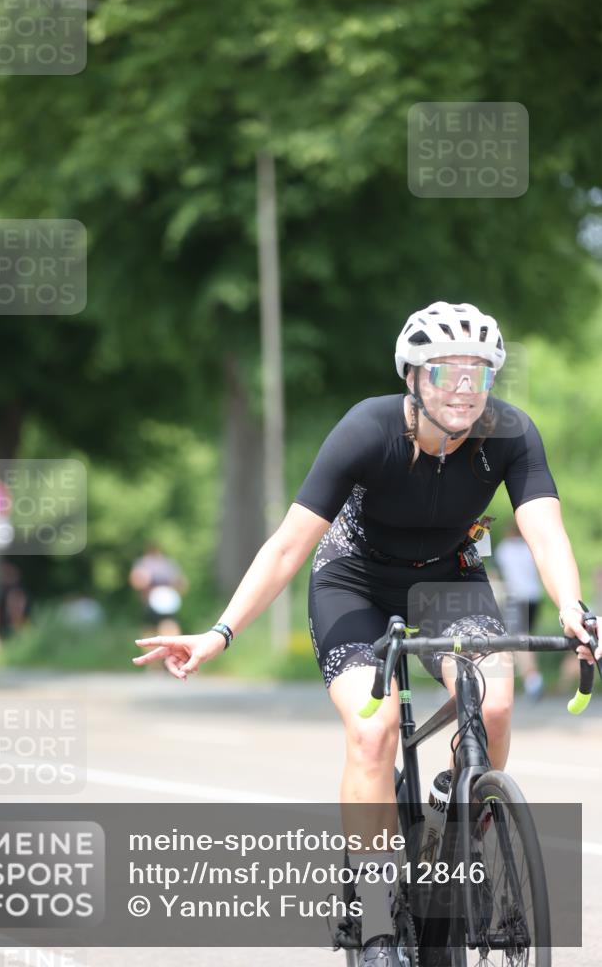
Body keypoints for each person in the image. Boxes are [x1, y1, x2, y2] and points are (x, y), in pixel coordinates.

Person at [132, 301, 599, 964]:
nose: (464, 389)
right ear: (412, 377)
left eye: (478, 374)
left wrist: (569, 606)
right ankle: (378, 920)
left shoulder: (510, 434)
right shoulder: (366, 429)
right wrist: (219, 632)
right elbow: (288, 548)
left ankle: (463, 813)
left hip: (447, 580)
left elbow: (543, 526)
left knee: (493, 701)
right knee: (373, 729)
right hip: (352, 581)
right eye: (446, 373)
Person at [494, 524, 545, 700]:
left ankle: (533, 681)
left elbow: (496, 575)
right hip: (535, 596)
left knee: (518, 639)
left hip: (516, 597)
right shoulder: (530, 547)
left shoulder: (504, 549)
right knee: (527, 637)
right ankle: (528, 678)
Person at [129, 542, 188, 637]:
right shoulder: (166, 563)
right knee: (154, 629)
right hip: (154, 601)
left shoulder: (162, 563)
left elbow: (181, 583)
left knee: (164, 628)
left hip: (164, 601)